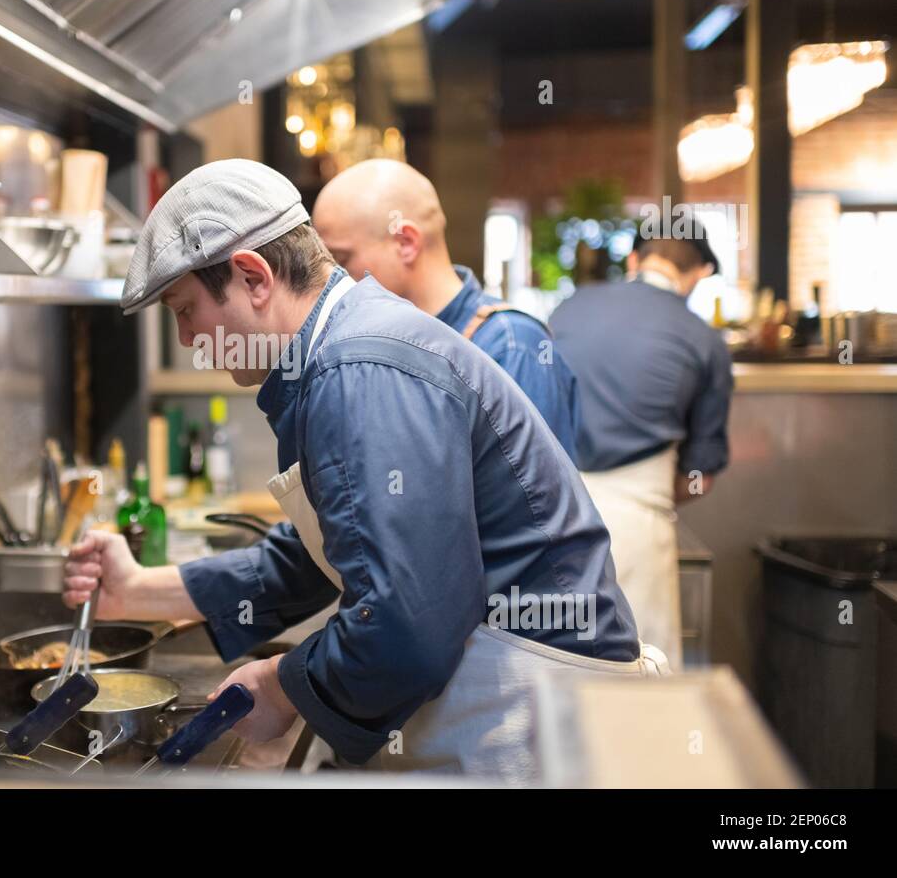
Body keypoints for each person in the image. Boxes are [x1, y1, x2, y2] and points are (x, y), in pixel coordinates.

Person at [65, 159, 662, 778]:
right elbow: (312, 558)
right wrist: (137, 590)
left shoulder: (359, 369)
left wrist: (280, 684)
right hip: (496, 706)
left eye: (184, 310)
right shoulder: (341, 351)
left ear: (253, 277)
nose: (188, 338)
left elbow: (408, 626)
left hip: (534, 718)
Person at [549, 220, 734, 668]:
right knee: (640, 682)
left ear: (635, 260)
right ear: (698, 274)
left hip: (551, 523)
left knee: (556, 674)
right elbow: (698, 479)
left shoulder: (567, 309)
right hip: (639, 533)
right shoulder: (704, 341)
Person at [312, 159, 579, 461]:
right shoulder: (378, 344)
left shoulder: (512, 347)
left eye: (342, 259)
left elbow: (536, 499)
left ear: (406, 243)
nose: (332, 280)